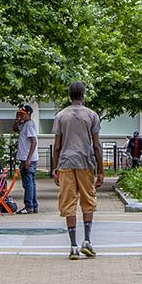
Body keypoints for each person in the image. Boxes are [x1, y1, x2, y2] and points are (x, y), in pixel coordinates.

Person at [50, 81, 102, 260]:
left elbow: (56, 146)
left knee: (68, 202)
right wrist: (101, 170)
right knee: (88, 199)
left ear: (69, 95)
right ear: (84, 94)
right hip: (86, 162)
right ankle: (87, 240)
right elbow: (96, 145)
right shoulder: (92, 115)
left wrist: (55, 168)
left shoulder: (61, 116)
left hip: (65, 163)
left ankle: (73, 245)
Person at [13, 105, 40, 214]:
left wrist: (28, 159)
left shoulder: (29, 125)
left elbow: (34, 142)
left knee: (28, 183)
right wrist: (17, 119)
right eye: (20, 113)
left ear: (28, 113)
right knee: (30, 183)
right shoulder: (24, 124)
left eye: (23, 113)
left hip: (27, 159)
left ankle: (29, 206)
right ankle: (33, 205)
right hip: (25, 158)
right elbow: (15, 129)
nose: (21, 115)